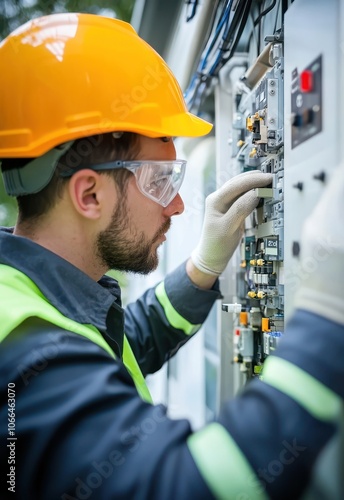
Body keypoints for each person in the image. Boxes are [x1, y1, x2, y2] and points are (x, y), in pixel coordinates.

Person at [0, 13, 342, 500]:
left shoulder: (34, 300)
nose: (179, 204)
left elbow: (127, 344)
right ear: (89, 195)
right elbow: (184, 488)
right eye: (161, 181)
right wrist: (331, 305)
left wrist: (202, 267)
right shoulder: (21, 349)